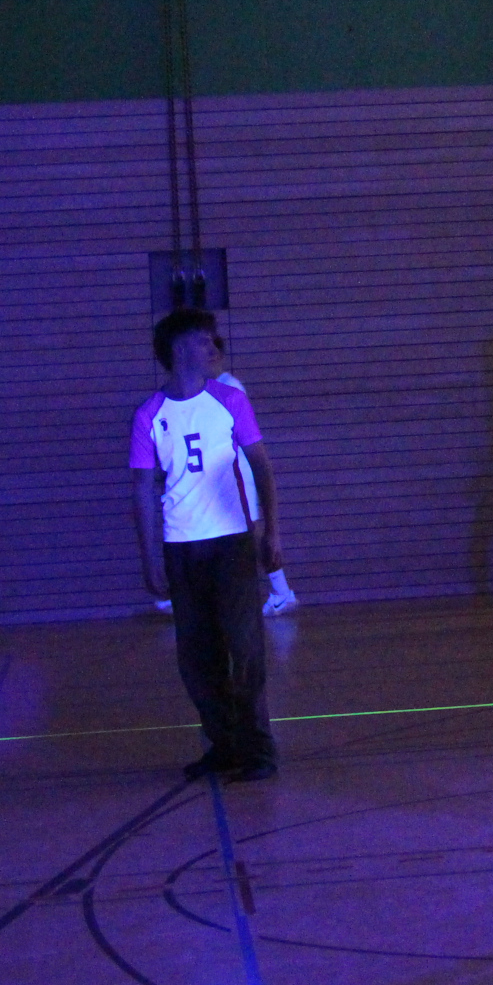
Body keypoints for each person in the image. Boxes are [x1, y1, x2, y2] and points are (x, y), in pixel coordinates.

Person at [132, 310, 281, 783]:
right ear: (179, 350)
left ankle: (258, 749)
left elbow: (261, 466)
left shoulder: (230, 400)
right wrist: (150, 556)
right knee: (196, 657)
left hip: (231, 542)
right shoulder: (149, 415)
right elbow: (142, 490)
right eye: (204, 341)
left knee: (245, 647)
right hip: (181, 548)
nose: (214, 348)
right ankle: (224, 745)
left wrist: (271, 531)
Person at [214, 354, 299, 616]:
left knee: (251, 537)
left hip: (239, 473)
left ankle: (280, 591)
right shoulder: (215, 386)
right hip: (228, 476)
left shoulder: (229, 387)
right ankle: (280, 591)